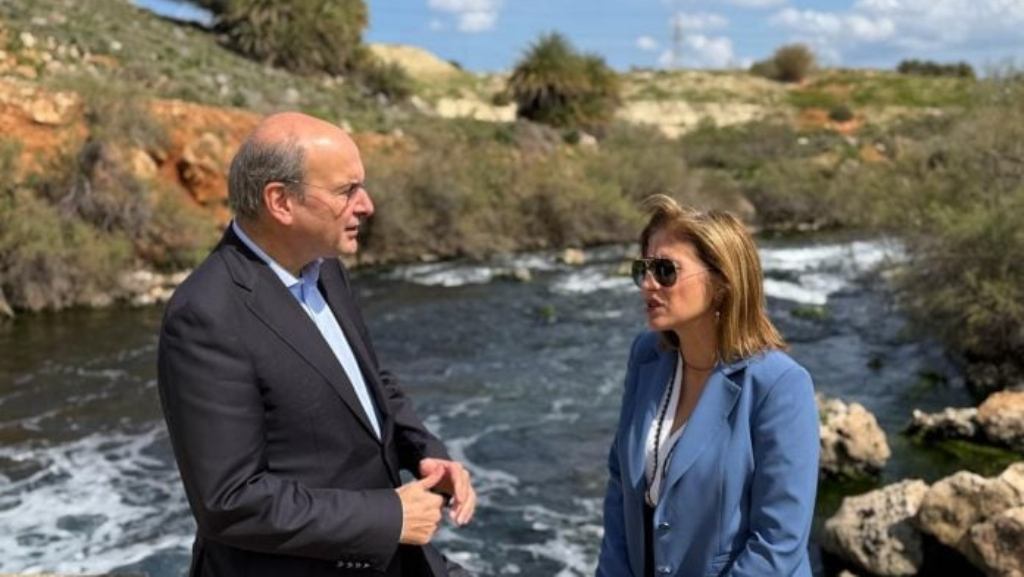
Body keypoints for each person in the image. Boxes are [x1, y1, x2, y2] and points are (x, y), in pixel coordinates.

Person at [157, 112, 476, 577]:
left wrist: (425, 450)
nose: (366, 205)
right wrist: (388, 517)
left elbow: (369, 380)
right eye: (347, 190)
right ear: (281, 201)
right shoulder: (205, 314)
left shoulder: (325, 269)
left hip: (395, 559)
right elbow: (229, 500)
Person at [597, 195, 819, 577]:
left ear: (721, 283)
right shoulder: (647, 356)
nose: (648, 284)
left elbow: (777, 542)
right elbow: (621, 487)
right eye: (642, 269)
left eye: (665, 270)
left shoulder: (780, 385)